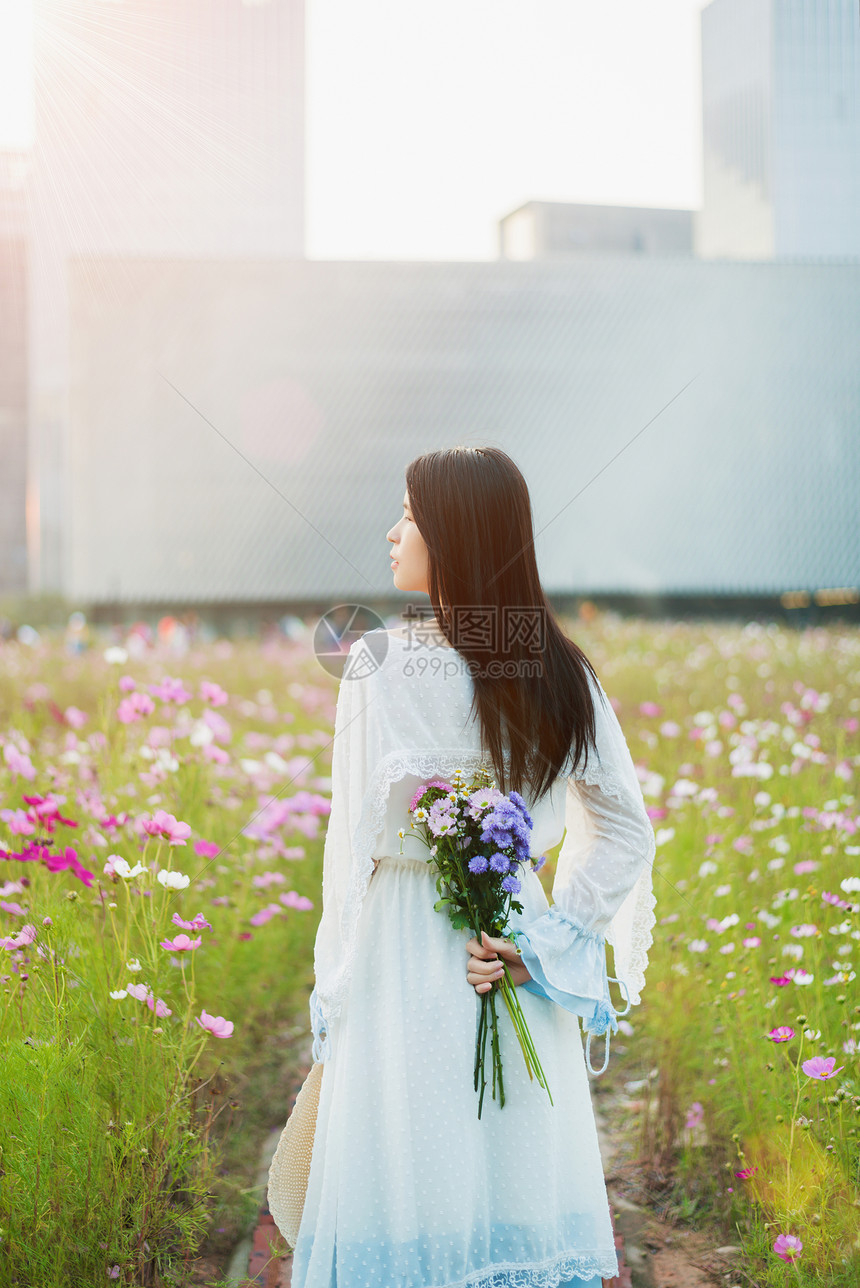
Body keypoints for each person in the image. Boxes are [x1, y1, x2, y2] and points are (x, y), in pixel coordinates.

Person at [280, 445, 656, 1288]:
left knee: (410, 1177)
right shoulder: (562, 671)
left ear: (453, 534)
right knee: (511, 1171)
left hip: (403, 950)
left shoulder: (376, 667)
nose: (391, 532)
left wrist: (335, 987)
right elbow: (628, 833)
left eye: (409, 516)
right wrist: (551, 941)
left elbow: (349, 851)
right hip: (509, 948)